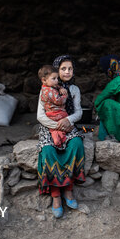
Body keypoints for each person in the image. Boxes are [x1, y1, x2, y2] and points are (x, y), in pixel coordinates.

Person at [36, 55, 86, 218]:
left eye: (70, 68)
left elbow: (78, 112)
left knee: (76, 143)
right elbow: (40, 115)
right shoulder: (46, 88)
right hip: (49, 126)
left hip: (68, 124)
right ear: (56, 71)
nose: (67, 71)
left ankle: (69, 190)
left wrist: (68, 120)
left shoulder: (74, 90)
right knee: (49, 150)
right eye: (63, 68)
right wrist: (56, 125)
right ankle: (56, 195)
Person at [38, 64, 69, 147]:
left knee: (53, 128)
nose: (56, 81)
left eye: (57, 78)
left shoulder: (45, 87)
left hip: (50, 114)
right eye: (54, 78)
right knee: (65, 118)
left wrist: (60, 88)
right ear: (44, 80)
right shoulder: (50, 92)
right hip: (56, 113)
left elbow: (56, 86)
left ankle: (56, 135)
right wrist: (65, 95)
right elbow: (59, 101)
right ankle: (61, 135)